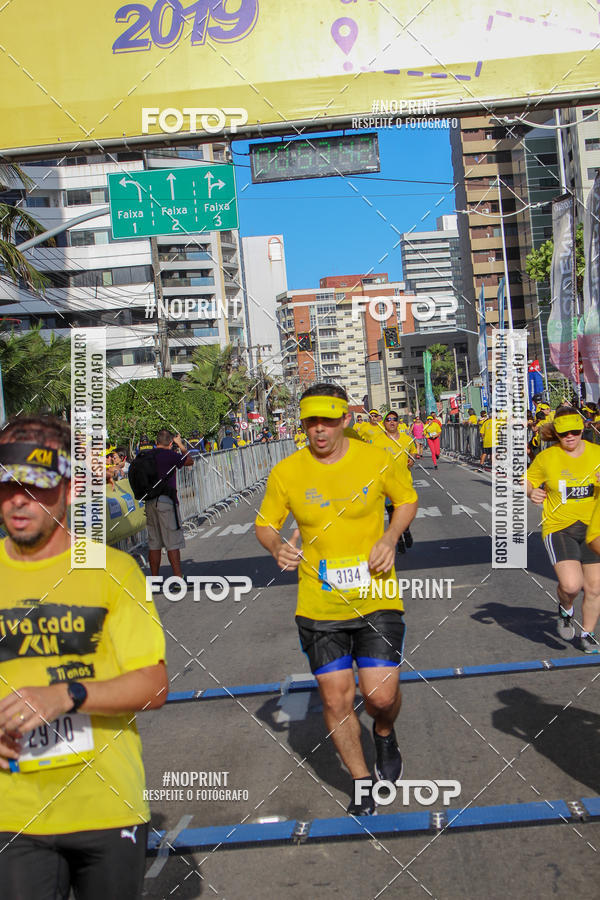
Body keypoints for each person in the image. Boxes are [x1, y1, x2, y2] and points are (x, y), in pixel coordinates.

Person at [0, 415, 167, 900]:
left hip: (106, 807)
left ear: (70, 490)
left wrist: (66, 696)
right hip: (13, 813)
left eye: (36, 487)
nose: (18, 501)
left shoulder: (113, 571)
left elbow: (154, 685)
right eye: (7, 486)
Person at [255, 384, 418, 816]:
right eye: (311, 422)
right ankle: (361, 781)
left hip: (377, 594)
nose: (319, 430)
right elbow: (265, 524)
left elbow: (406, 500)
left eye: (328, 421)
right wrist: (276, 547)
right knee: (335, 699)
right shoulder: (287, 472)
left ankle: (384, 732)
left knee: (380, 697)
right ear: (303, 424)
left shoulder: (376, 459)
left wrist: (390, 535)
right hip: (318, 605)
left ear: (346, 419)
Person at [526, 406, 600, 653]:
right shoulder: (547, 458)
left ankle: (587, 634)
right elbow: (528, 479)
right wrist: (531, 491)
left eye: (575, 432)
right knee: (570, 585)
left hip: (594, 529)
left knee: (595, 587)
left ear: (583, 430)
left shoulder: (597, 453)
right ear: (556, 434)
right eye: (563, 433)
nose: (570, 437)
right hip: (560, 527)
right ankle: (566, 609)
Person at [145, 429, 194, 578]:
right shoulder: (170, 455)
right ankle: (178, 578)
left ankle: (154, 579)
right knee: (172, 542)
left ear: (156, 442)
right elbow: (189, 461)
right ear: (171, 443)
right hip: (166, 501)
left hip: (150, 502)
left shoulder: (147, 456)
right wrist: (181, 445)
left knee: (154, 544)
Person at [373, 411, 416, 553]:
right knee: (392, 513)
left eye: (394, 419)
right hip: (386, 485)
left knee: (404, 512)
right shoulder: (377, 441)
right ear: (384, 423)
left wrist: (412, 459)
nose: (392, 422)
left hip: (404, 482)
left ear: (398, 422)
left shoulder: (406, 439)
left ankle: (406, 530)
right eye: (388, 420)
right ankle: (399, 540)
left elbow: (413, 452)